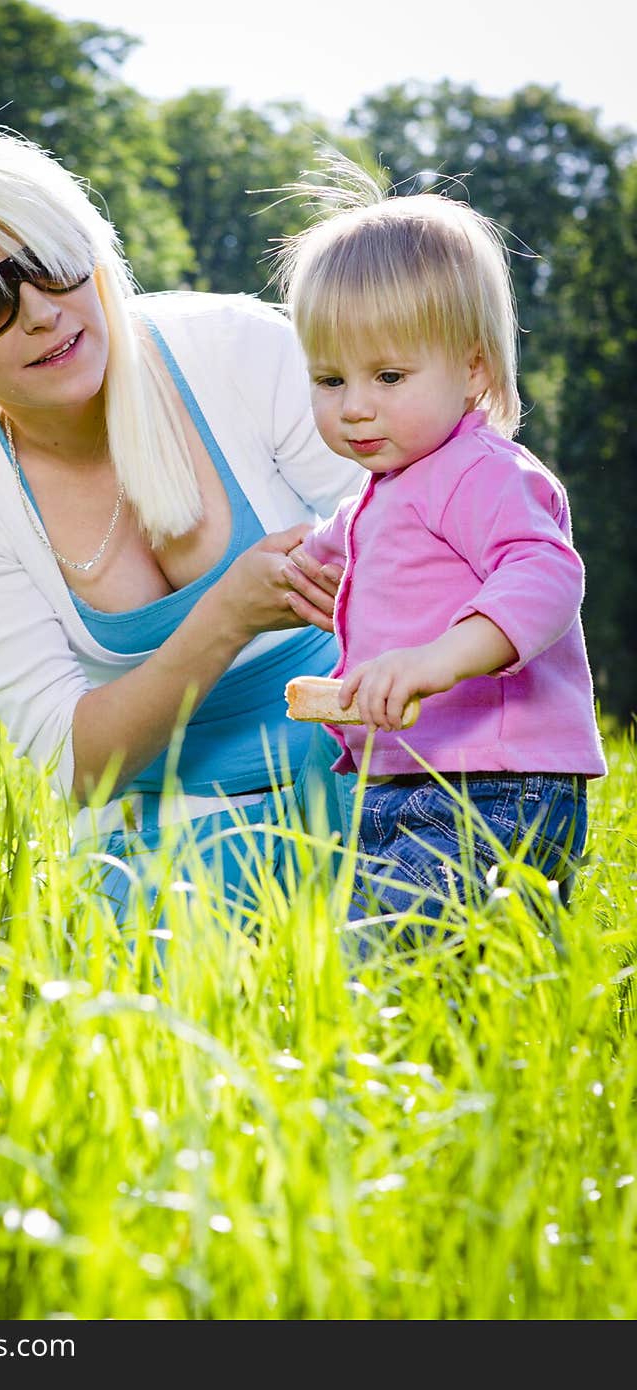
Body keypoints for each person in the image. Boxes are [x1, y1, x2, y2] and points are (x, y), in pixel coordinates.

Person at [0, 120, 364, 924]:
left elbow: (440, 541)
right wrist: (228, 614)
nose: (39, 312)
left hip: (376, 769)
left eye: (50, 264)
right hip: (170, 828)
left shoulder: (233, 350)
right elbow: (78, 763)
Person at [277, 158, 606, 932]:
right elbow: (335, 555)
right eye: (330, 380)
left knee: (389, 959)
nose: (355, 407)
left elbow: (545, 573)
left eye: (388, 375)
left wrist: (436, 659)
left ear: (472, 369)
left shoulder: (479, 472)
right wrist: (290, 569)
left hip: (493, 777)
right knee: (477, 974)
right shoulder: (380, 494)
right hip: (406, 777)